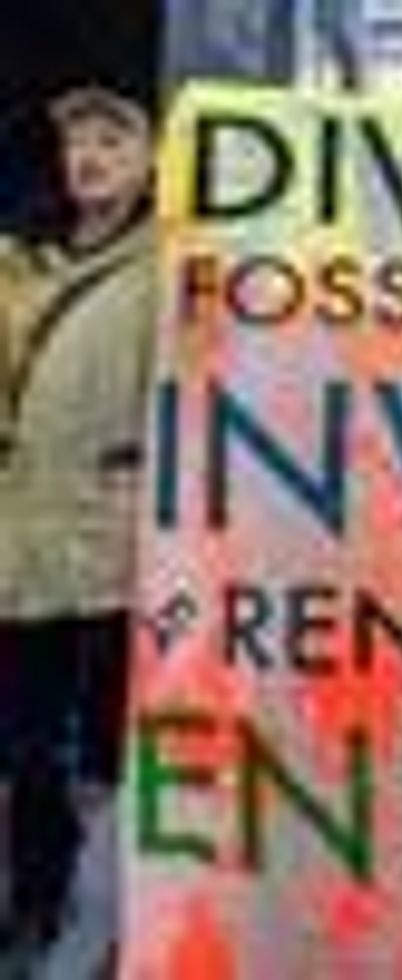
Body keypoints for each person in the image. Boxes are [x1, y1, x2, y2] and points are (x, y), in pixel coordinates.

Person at [0, 84, 155, 960]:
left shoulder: (172, 262)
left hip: (115, 543)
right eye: (76, 144)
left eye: (112, 140)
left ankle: (113, 916)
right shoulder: (21, 268)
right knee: (28, 746)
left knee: (106, 747)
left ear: (151, 161)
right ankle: (35, 904)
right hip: (21, 540)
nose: (89, 157)